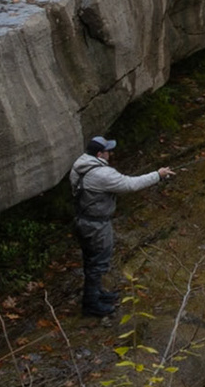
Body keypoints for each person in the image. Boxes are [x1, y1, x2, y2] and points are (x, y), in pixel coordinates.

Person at [69, 136, 175, 317]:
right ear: (100, 154)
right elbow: (130, 184)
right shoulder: (101, 174)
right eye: (108, 150)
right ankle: (91, 304)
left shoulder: (80, 164)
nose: (111, 153)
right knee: (98, 262)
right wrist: (158, 175)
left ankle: (96, 293)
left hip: (83, 220)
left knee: (91, 259)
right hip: (97, 226)